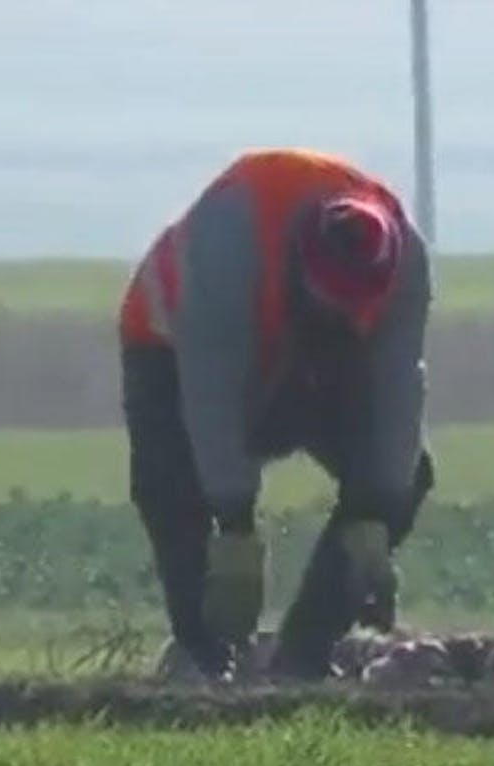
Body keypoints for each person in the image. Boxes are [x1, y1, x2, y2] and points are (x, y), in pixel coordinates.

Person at [118, 147, 435, 681]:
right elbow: (210, 396)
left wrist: (373, 515)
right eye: (325, 307)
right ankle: (205, 656)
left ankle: (304, 658)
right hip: (172, 348)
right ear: (299, 264)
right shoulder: (230, 247)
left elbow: (398, 388)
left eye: (347, 314)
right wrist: (234, 525)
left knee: (404, 478)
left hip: (298, 360)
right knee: (173, 486)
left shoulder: (405, 269)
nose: (333, 319)